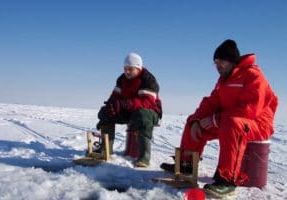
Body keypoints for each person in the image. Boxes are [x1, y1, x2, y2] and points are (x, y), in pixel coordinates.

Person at [160, 39, 278, 197]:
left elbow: (250, 109)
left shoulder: (253, 75)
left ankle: (227, 181)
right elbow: (211, 103)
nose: (217, 65)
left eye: (221, 61)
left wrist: (216, 119)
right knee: (193, 122)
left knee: (232, 123)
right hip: (228, 121)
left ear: (231, 61)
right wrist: (197, 119)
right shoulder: (223, 81)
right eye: (215, 62)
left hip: (257, 123)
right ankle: (186, 167)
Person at [96, 52, 162, 167]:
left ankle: (143, 158)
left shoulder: (148, 79)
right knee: (105, 112)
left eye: (130, 69)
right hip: (130, 112)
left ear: (138, 68)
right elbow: (114, 96)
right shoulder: (122, 79)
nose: (126, 72)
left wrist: (125, 104)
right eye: (125, 69)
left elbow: (147, 102)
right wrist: (111, 106)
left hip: (150, 112)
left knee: (142, 114)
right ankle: (105, 150)